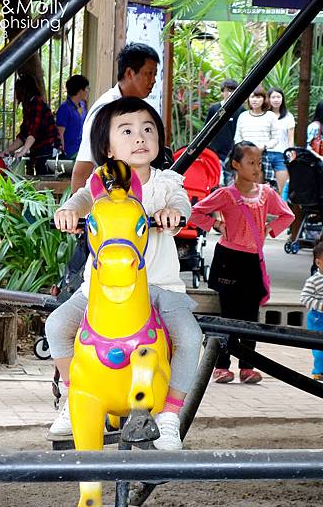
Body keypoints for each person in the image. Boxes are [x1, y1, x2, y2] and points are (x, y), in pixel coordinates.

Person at [45, 96, 203, 450]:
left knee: (190, 338)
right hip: (101, 290)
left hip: (159, 287)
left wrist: (171, 213)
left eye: (148, 129)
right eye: (127, 131)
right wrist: (68, 212)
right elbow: (82, 200)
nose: (139, 138)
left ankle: (169, 414)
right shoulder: (103, 183)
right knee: (56, 326)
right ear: (107, 145)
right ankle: (74, 395)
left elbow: (181, 204)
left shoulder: (166, 182)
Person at [190, 141, 294, 384]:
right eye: (251, 163)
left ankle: (248, 366)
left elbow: (287, 215)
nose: (256, 168)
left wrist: (270, 229)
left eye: (259, 162)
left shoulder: (267, 194)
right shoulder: (226, 194)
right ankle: (221, 365)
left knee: (250, 314)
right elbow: (196, 211)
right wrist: (216, 225)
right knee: (228, 313)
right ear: (236, 165)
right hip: (228, 260)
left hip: (252, 261)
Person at [70, 42, 160, 192]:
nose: (153, 80)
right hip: (104, 205)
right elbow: (82, 169)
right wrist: (77, 211)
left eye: (155, 74)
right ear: (130, 73)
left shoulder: (136, 109)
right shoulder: (105, 111)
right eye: (149, 73)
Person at [0, 74, 57, 175]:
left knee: (44, 180)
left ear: (23, 90)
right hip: (39, 150)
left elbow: (33, 132)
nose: (16, 95)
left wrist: (23, 151)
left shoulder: (36, 103)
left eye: (17, 91)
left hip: (47, 149)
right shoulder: (29, 105)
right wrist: (7, 151)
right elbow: (24, 134)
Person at [234, 86, 280, 186]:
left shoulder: (270, 116)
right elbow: (237, 137)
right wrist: (243, 147)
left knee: (258, 188)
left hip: (261, 156)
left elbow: (276, 138)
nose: (255, 100)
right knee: (240, 188)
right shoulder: (243, 116)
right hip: (243, 156)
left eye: (258, 97)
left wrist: (263, 146)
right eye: (252, 97)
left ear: (264, 99)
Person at [205, 79, 245, 185]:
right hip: (215, 152)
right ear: (222, 91)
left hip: (233, 152)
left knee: (232, 182)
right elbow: (207, 129)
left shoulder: (241, 110)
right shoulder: (214, 109)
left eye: (232, 90)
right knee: (217, 182)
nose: (229, 93)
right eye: (227, 90)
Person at [301, 241, 323, 381]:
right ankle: (318, 371)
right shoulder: (313, 281)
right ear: (318, 262)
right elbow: (305, 298)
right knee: (319, 348)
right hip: (317, 318)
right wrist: (321, 306)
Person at [267, 87, 295, 194]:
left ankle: (281, 210)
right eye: (273, 97)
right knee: (264, 190)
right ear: (268, 99)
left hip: (282, 155)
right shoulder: (264, 115)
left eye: (278, 97)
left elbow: (290, 138)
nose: (276, 99)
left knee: (283, 190)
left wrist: (291, 155)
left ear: (282, 99)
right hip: (266, 154)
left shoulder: (288, 117)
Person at [55, 74, 89, 160]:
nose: (88, 91)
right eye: (86, 89)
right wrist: (63, 152)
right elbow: (60, 133)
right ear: (80, 91)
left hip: (82, 149)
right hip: (71, 152)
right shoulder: (65, 108)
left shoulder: (82, 105)